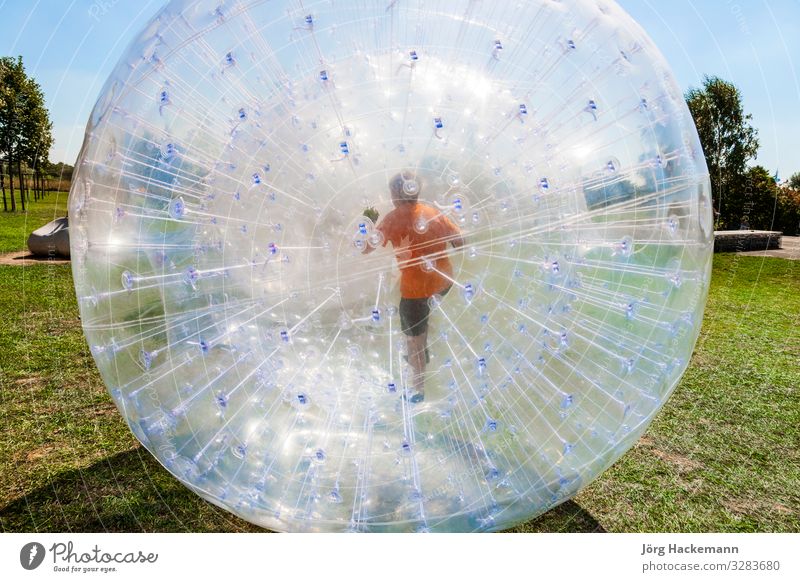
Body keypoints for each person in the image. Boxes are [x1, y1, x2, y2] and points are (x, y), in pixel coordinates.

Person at [363, 171, 464, 403]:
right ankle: (423, 351)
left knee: (413, 340)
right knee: (422, 323)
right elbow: (459, 242)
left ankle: (418, 391)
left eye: (391, 193)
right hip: (443, 282)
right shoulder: (433, 213)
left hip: (416, 291)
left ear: (398, 193)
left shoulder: (392, 219)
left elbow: (366, 247)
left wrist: (367, 222)